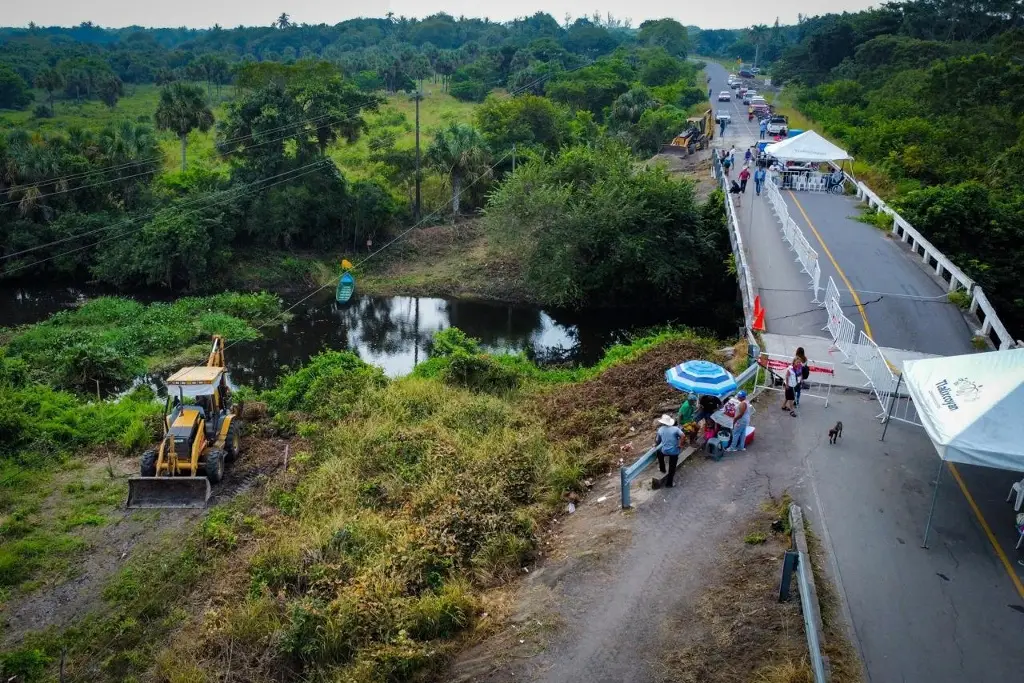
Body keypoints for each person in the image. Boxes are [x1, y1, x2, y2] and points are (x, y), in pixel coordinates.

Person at [653, 414, 684, 488]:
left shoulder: (660, 429)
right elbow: (683, 436)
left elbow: (658, 441)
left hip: (665, 451)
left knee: (659, 453)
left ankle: (662, 469)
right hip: (674, 451)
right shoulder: (675, 429)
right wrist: (680, 444)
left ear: (662, 423)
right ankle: (669, 483)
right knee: (672, 467)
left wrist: (655, 445)